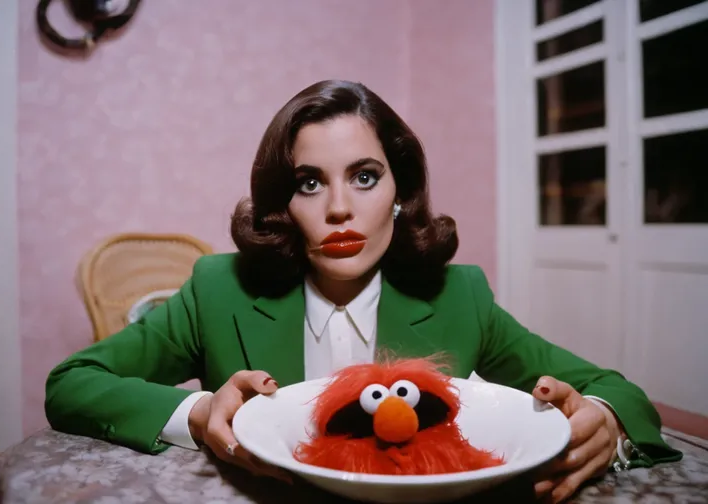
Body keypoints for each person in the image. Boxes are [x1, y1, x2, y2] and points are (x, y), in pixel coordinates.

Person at [45, 79, 682, 503]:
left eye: (366, 176)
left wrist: (607, 420)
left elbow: (617, 390)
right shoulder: (218, 288)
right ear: (281, 204)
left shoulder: (460, 295)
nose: (341, 208)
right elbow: (72, 381)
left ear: (400, 192)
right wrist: (201, 414)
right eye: (309, 183)